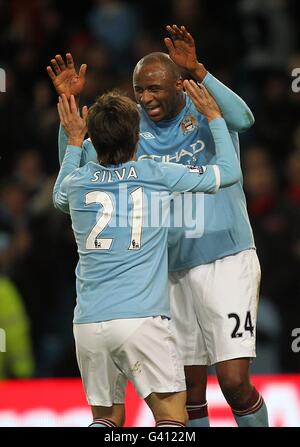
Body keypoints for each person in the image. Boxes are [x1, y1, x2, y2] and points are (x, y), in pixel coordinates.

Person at [48, 24, 269, 427]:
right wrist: (69, 107)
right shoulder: (133, 129)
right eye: (139, 90)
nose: (146, 98)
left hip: (224, 254)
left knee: (235, 383)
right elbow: (79, 159)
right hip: (167, 268)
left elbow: (245, 118)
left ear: (178, 86)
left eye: (154, 89)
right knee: (190, 393)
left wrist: (200, 71)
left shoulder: (206, 109)